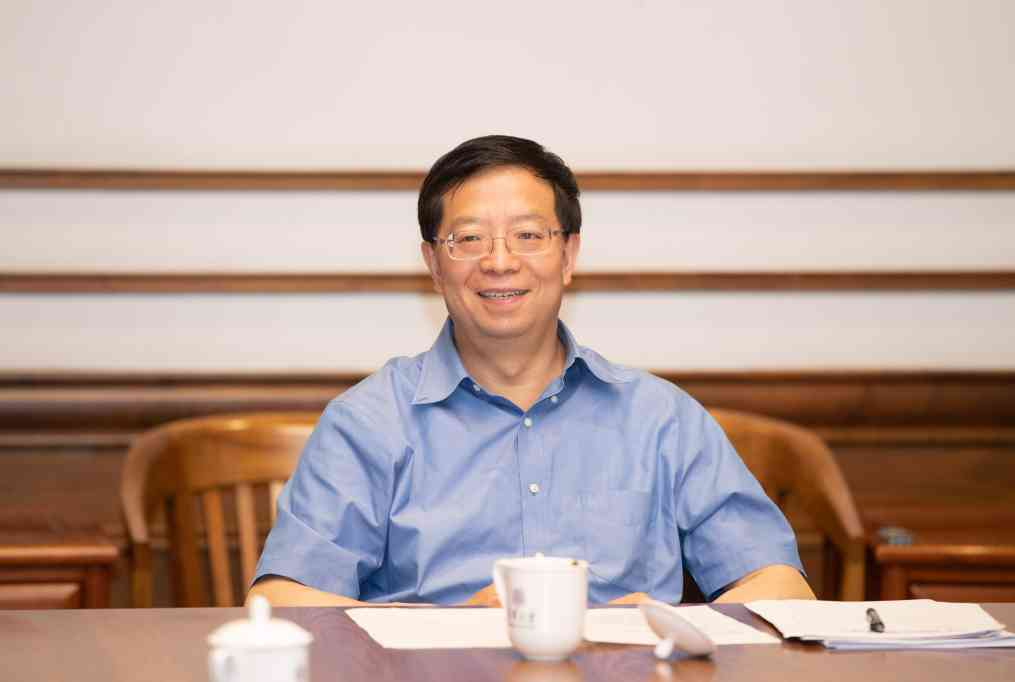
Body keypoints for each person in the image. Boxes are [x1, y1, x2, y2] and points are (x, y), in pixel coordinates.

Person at [249, 135, 814, 607]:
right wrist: (444, 630)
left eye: (528, 235)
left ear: (568, 256)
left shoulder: (660, 417)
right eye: (469, 238)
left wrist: (664, 629)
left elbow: (780, 583)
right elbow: (281, 598)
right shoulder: (369, 422)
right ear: (434, 264)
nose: (500, 262)